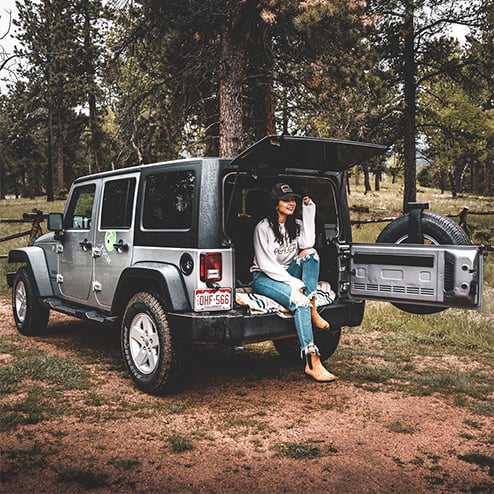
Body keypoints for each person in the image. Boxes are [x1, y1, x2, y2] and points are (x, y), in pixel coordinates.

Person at [250, 183, 337, 382]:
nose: (291, 203)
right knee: (299, 302)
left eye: (293, 200)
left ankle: (312, 304)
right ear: (275, 203)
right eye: (286, 200)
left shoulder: (294, 225)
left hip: (287, 273)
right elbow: (266, 264)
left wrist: (308, 210)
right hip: (264, 277)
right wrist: (293, 284)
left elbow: (308, 243)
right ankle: (311, 360)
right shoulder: (262, 228)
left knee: (311, 255)